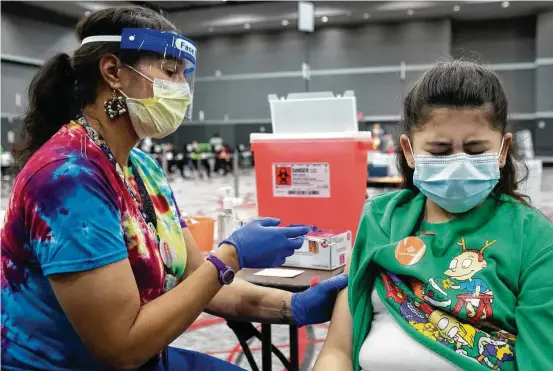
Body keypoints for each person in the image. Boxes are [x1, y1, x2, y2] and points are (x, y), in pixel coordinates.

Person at [1, 7, 347, 371]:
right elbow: (122, 349)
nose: (180, 89)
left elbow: (203, 281)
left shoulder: (143, 169)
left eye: (184, 76)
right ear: (113, 72)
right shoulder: (68, 178)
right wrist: (230, 256)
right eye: (169, 73)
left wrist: (292, 306)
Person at [315, 61, 553, 371]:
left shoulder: (537, 243)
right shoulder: (383, 219)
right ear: (409, 151)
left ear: (502, 150)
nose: (458, 163)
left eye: (475, 150)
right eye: (439, 151)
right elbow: (338, 350)